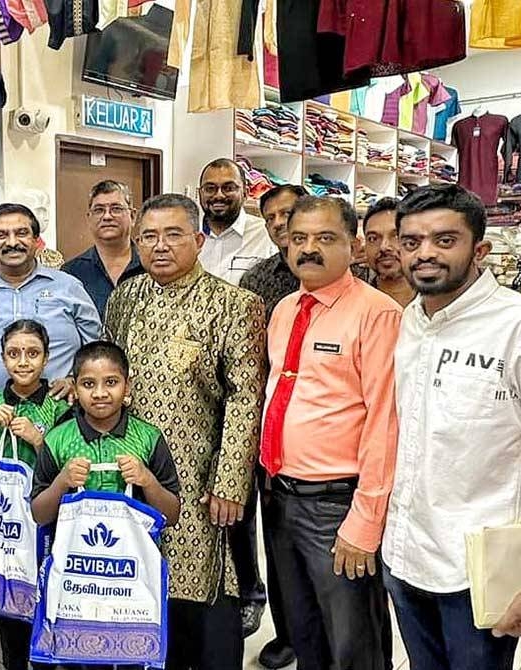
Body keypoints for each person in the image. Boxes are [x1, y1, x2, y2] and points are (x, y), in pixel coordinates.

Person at [384, 184, 521, 670]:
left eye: (444, 240)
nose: (425, 253)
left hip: (479, 571)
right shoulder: (410, 320)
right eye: (411, 242)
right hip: (407, 556)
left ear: (481, 250)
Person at [105, 194, 266, 670]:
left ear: (197, 240)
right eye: (149, 236)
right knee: (137, 578)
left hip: (199, 473)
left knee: (205, 588)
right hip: (129, 469)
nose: (160, 246)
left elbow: (245, 396)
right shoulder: (126, 298)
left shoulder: (235, 304)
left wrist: (230, 483)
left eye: (173, 234)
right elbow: (108, 372)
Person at [260, 196, 400, 670]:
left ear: (354, 246)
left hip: (336, 505)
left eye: (325, 238)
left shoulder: (376, 314)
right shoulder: (283, 310)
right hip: (280, 498)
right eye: (299, 239)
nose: (309, 249)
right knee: (304, 632)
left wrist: (365, 521)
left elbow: (386, 420)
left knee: (352, 643)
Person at [29, 340, 181, 670]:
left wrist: (147, 480)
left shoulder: (148, 437)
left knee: (128, 656)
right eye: (88, 384)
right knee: (76, 656)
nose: (100, 393)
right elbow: (39, 513)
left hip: (130, 578)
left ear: (128, 386)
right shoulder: (58, 439)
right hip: (77, 575)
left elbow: (171, 514)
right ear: (75, 386)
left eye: (111, 382)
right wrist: (62, 482)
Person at [0, 319, 70, 670]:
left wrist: (39, 440)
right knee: (7, 591)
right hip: (4, 521)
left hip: (45, 520)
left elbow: (67, 468)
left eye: (32, 353)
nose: (23, 362)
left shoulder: (59, 405)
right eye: (14, 354)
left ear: (46, 357)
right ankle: (13, 659)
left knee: (42, 593)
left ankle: (44, 658)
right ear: (2, 358)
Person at [233, 183, 307, 664]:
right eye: (272, 217)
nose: (281, 224)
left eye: (290, 214)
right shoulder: (258, 279)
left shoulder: (351, 273)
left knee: (321, 552)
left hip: (330, 438)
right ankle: (290, 631)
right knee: (278, 543)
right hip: (267, 427)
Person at [0, 203, 101, 402]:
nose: (12, 242)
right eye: (1, 235)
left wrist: (75, 379)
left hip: (61, 414)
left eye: (21, 233)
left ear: (36, 240)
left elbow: (97, 349)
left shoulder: (69, 288)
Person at [61, 180, 145, 318]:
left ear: (133, 216)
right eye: (99, 210)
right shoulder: (71, 273)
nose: (107, 216)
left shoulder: (151, 267)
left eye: (116, 209)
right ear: (89, 218)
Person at [197, 158, 275, 285]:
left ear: (245, 193)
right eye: (210, 188)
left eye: (228, 188)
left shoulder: (266, 234)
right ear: (200, 193)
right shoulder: (186, 236)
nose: (219, 195)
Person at [240, 184, 308, 321]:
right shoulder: (255, 279)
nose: (278, 223)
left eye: (286, 213)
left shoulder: (340, 268)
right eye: (270, 218)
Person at [362, 197, 415, 307]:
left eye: (395, 236)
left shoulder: (437, 302)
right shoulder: (354, 303)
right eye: (373, 238)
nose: (384, 247)